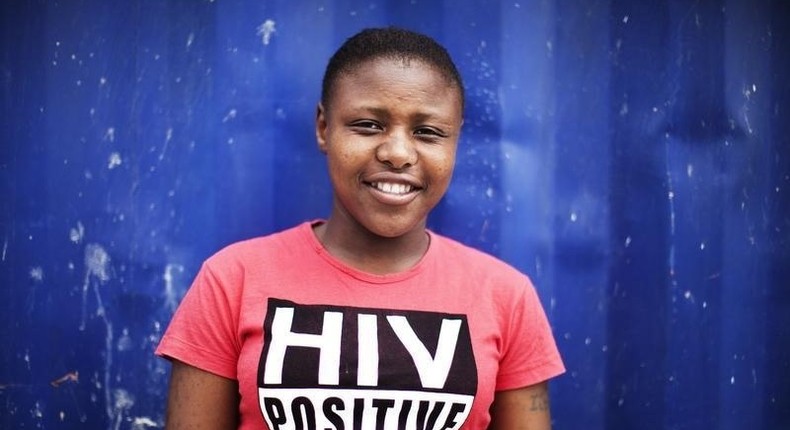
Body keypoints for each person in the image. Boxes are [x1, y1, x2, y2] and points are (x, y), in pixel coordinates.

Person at [156, 27, 564, 429]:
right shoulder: (232, 280)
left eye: (428, 132)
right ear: (323, 128)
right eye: (368, 125)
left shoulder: (506, 296)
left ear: (454, 141)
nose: (398, 153)